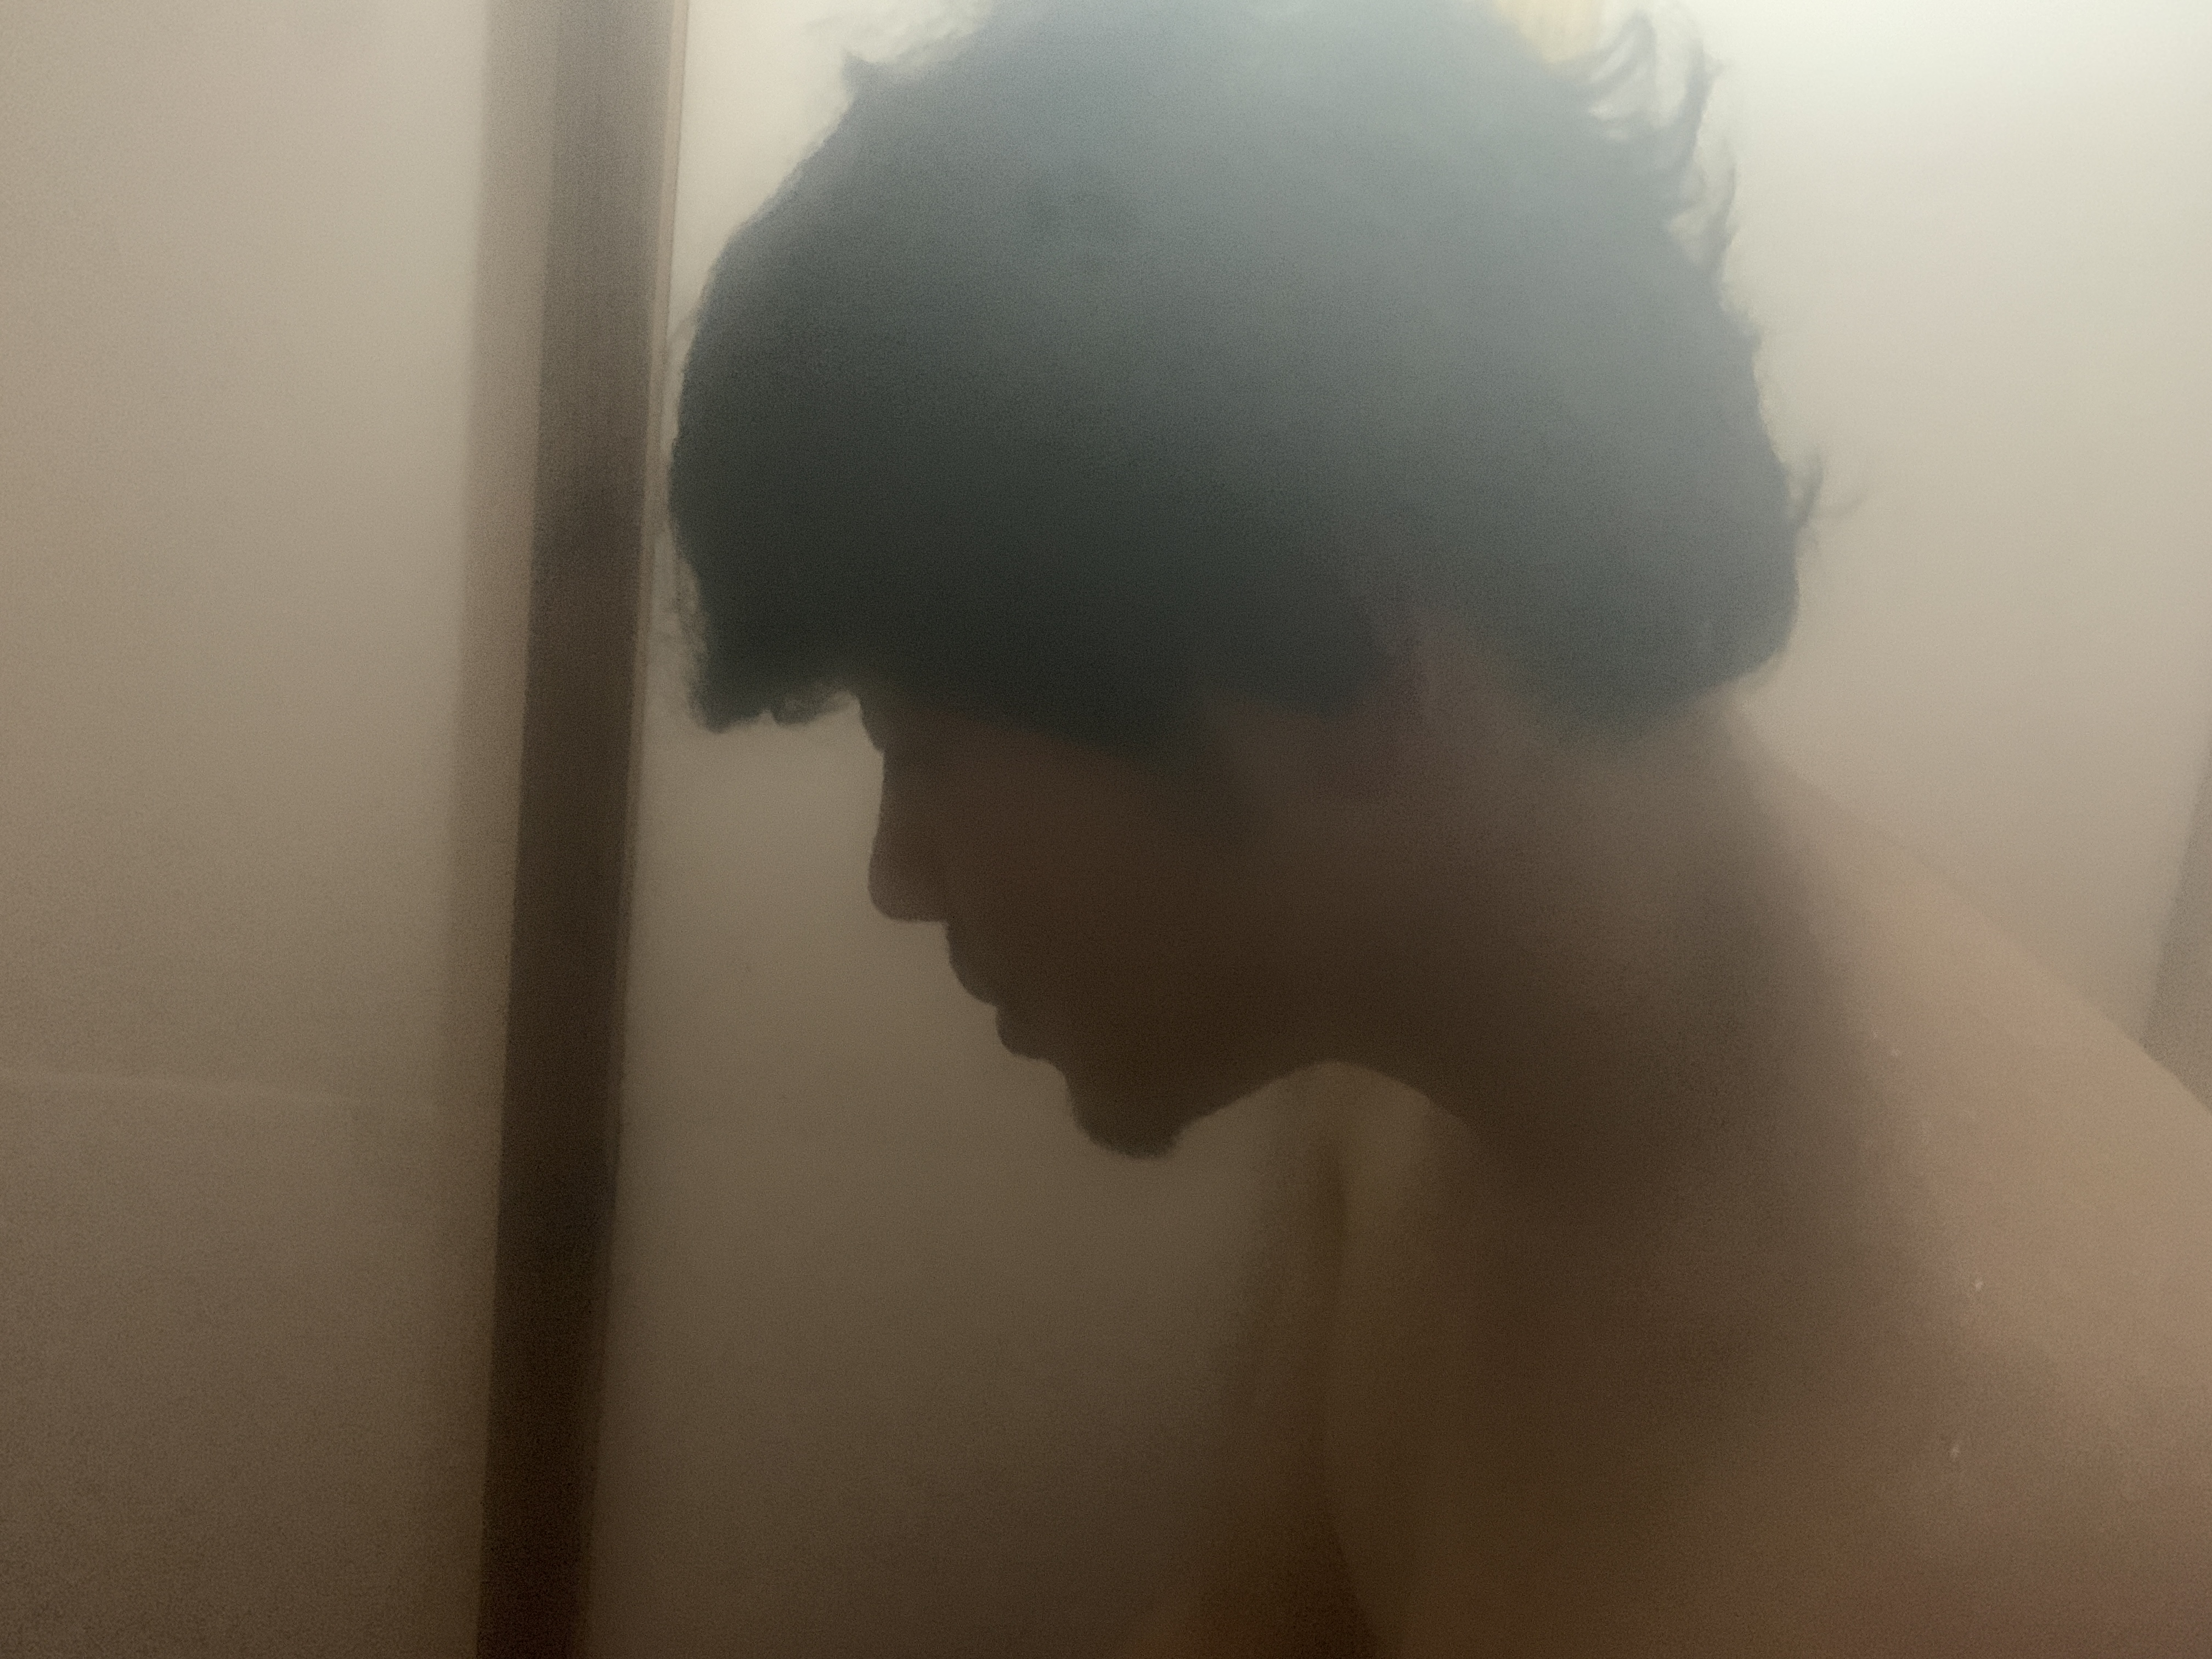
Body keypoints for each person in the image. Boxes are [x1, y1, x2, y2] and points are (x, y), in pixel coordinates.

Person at [665, 0, 2212, 1650]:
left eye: (923, 753)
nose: (898, 882)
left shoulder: (2010, 1555)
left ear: (1345, 671)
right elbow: (1252, 1629)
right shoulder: (1411, 1046)